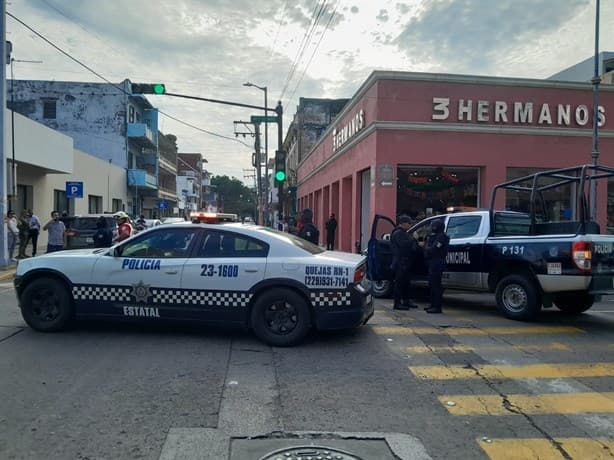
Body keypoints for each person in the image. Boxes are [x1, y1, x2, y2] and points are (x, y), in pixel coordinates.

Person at [390, 215, 420, 310]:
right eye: (409, 223)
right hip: (400, 261)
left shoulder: (404, 233)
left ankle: (406, 301)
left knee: (406, 283)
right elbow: (403, 245)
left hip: (405, 261)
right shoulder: (398, 233)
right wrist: (414, 239)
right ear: (403, 223)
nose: (410, 225)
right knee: (399, 283)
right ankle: (397, 303)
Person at [424, 219, 449, 314]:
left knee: (436, 285)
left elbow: (434, 249)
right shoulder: (434, 236)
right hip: (432, 262)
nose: (431, 228)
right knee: (431, 284)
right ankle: (432, 304)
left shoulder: (442, 237)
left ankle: (437, 306)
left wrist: (426, 248)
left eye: (433, 226)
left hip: (437, 262)